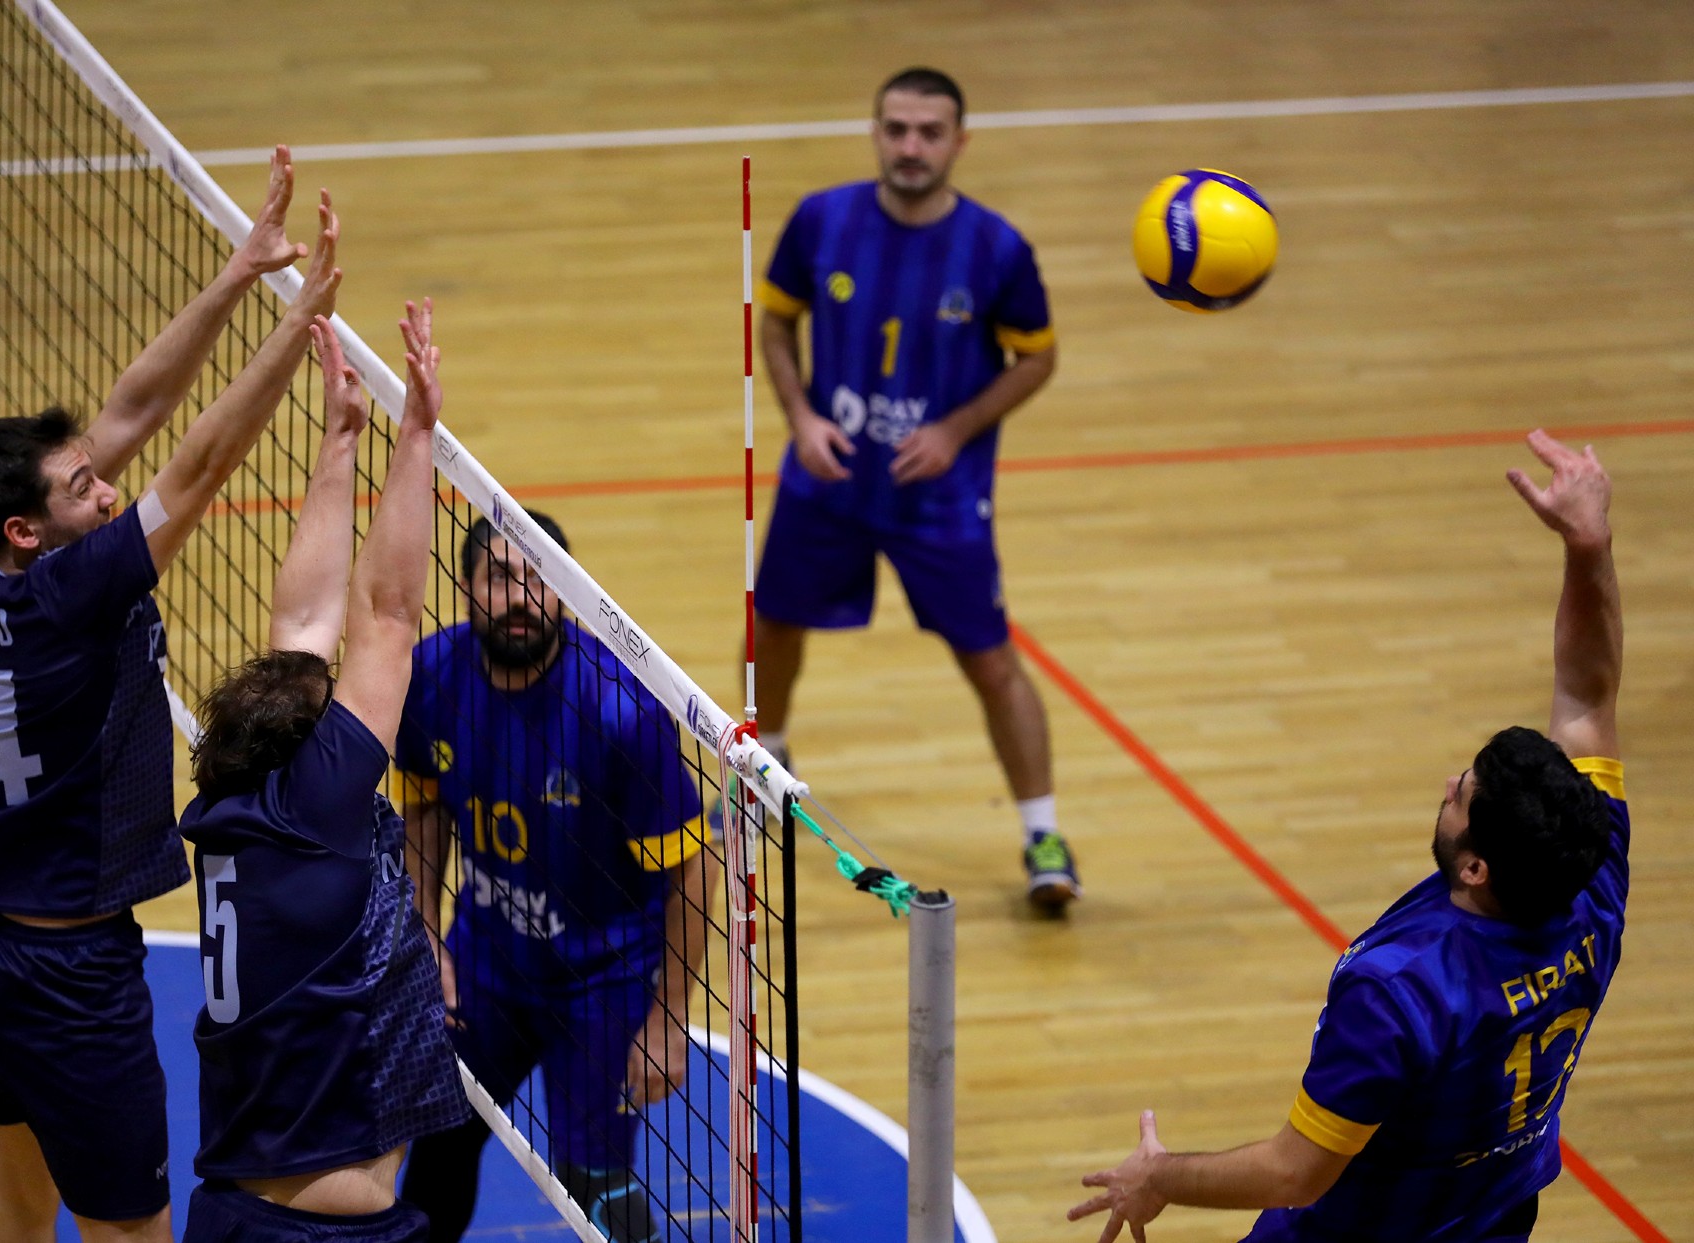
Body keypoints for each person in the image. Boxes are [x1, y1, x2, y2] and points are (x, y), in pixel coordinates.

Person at [1068, 431, 1629, 1243]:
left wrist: (1159, 1176)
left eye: (1463, 795)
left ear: (1476, 865)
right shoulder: (1588, 875)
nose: (1448, 784)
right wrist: (1589, 545)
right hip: (1493, 1221)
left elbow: (1296, 1170)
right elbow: (1586, 694)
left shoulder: (1402, 991)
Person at [0, 147, 338, 1243]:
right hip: (65, 975)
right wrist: (298, 326)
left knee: (23, 1198)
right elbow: (197, 467)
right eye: (84, 488)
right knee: (132, 1233)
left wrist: (241, 272)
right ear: (30, 529)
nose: (107, 490)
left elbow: (135, 406)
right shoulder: (72, 593)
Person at [752, 66, 1073, 909]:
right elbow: (776, 322)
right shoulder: (821, 220)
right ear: (875, 132)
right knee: (774, 622)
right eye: (895, 129)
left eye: (930, 132)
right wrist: (800, 416)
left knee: (991, 661)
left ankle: (1043, 835)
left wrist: (955, 430)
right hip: (827, 480)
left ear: (960, 141)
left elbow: (1038, 357)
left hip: (939, 495)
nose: (911, 147)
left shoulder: (997, 249)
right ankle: (767, 761)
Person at [180, 303, 467, 1241]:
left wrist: (342, 439)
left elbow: (301, 630)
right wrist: (416, 433)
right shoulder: (317, 813)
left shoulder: (230, 801)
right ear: (319, 756)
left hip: (232, 1210)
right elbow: (387, 615)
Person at [395, 509, 714, 1243]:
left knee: (595, 1186)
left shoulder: (623, 712)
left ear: (565, 593)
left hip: (604, 980)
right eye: (500, 578)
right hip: (485, 961)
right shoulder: (431, 677)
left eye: (540, 580)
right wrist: (425, 935)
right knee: (439, 1143)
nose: (521, 598)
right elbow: (423, 810)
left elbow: (694, 872)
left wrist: (667, 1019)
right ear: (467, 587)